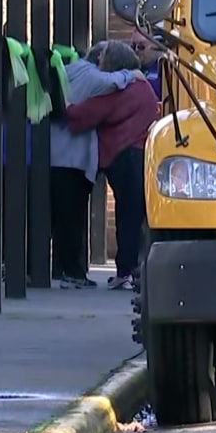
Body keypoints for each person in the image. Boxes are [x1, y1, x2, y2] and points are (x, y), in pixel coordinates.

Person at [64, 41, 159, 291]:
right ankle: (130, 270)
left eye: (104, 57)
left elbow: (89, 113)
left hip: (124, 157)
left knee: (127, 216)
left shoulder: (125, 89)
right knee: (134, 214)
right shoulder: (143, 87)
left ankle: (125, 272)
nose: (99, 62)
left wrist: (64, 105)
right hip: (139, 156)